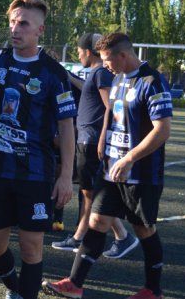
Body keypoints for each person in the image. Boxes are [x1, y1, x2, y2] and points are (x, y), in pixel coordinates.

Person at [0, 0, 77, 299]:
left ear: (40, 30)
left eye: (23, 23)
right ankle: (17, 289)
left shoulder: (54, 73)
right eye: (12, 22)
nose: (15, 29)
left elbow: (66, 126)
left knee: (30, 246)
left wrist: (65, 176)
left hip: (35, 174)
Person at [43, 33, 173, 299]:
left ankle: (153, 291)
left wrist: (129, 158)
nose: (104, 65)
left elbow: (162, 130)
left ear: (122, 56)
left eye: (106, 59)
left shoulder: (152, 82)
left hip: (141, 174)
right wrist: (103, 138)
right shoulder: (117, 79)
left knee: (144, 229)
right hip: (111, 169)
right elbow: (110, 113)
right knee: (97, 220)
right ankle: (74, 284)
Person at [51, 33, 139, 258]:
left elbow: (110, 105)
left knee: (92, 194)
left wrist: (102, 137)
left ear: (88, 52)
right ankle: (118, 236)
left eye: (79, 51)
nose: (78, 55)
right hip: (86, 139)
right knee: (93, 193)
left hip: (90, 140)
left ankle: (84, 238)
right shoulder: (97, 73)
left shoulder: (100, 72)